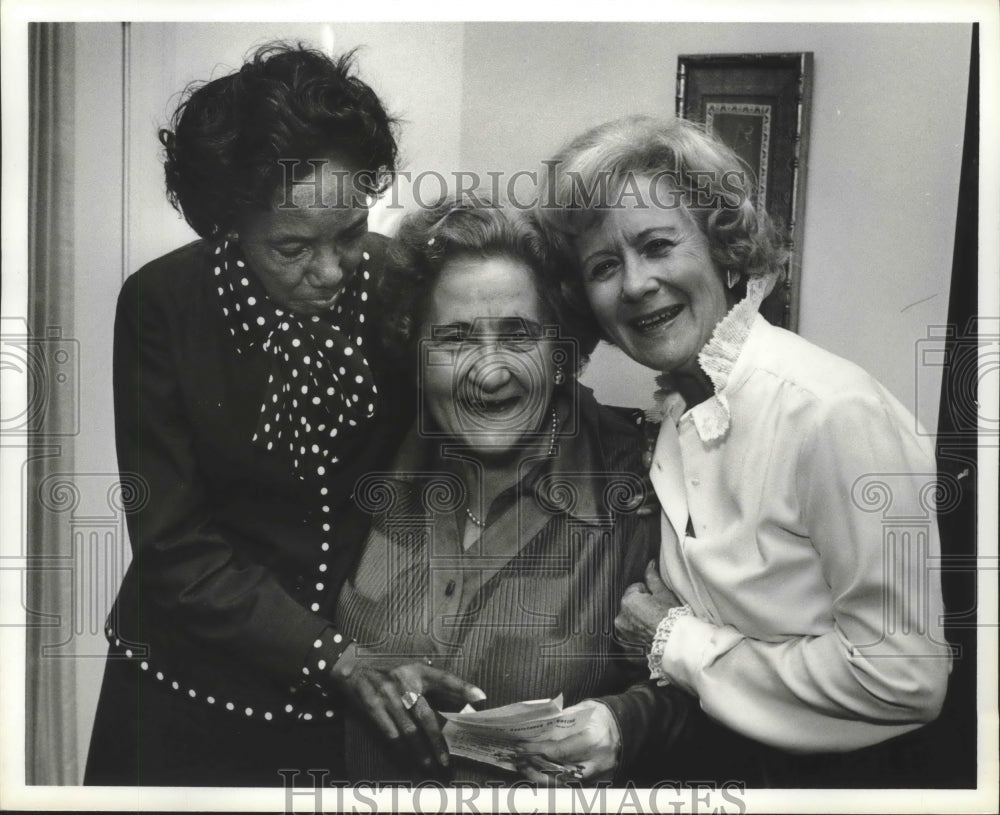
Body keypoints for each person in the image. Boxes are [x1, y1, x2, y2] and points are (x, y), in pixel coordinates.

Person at [84, 43, 480, 786]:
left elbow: (449, 457)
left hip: (355, 699)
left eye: (351, 232)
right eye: (293, 246)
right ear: (228, 227)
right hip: (182, 695)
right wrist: (331, 655)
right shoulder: (163, 305)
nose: (331, 271)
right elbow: (173, 544)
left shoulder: (397, 281)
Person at [534, 115, 952, 786]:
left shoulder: (831, 411)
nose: (636, 283)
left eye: (658, 244)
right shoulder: (680, 411)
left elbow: (905, 679)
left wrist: (674, 641)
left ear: (723, 250)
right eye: (605, 266)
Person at [333, 194, 692, 784]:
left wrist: (625, 723)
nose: (490, 372)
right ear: (416, 353)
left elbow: (712, 695)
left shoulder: (648, 480)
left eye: (519, 335)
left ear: (560, 350)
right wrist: (357, 667)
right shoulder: (367, 463)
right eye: (453, 339)